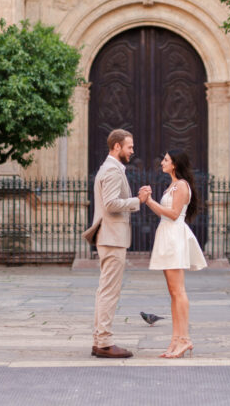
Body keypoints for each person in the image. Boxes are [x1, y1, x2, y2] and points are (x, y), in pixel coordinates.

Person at [81, 129, 151, 359]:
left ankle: (100, 340)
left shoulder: (111, 168)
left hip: (110, 237)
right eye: (129, 147)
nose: (133, 151)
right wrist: (137, 201)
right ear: (117, 147)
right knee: (109, 291)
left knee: (105, 291)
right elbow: (111, 203)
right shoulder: (111, 170)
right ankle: (104, 342)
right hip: (112, 238)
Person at [143, 149, 207, 358]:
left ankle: (185, 338)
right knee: (173, 292)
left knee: (178, 291)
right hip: (167, 236)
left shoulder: (180, 186)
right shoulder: (172, 185)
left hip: (174, 237)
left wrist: (149, 201)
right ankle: (176, 338)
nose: (162, 162)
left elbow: (173, 214)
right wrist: (150, 200)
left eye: (166, 160)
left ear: (175, 164)